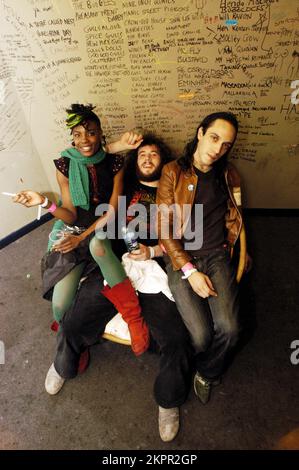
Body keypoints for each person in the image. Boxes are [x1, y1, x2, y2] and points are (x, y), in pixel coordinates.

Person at [43, 134, 192, 443]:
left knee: (177, 339)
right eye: (142, 155)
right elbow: (87, 159)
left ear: (162, 162)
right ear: (135, 162)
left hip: (153, 269)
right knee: (71, 324)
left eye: (154, 154)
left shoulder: (172, 194)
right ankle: (64, 365)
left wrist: (154, 252)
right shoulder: (121, 191)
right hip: (116, 264)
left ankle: (168, 400)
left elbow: (186, 239)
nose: (148, 158)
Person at [13, 104, 149, 357]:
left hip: (105, 226)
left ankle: (134, 316)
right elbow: (69, 214)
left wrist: (82, 238)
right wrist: (44, 202)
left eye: (91, 133)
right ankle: (76, 341)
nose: (84, 140)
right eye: (77, 134)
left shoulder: (114, 162)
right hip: (75, 227)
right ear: (72, 137)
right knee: (59, 306)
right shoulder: (65, 165)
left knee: (97, 245)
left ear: (100, 135)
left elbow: (111, 210)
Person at [157, 112, 250, 406]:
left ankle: (207, 373)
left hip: (216, 254)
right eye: (214, 137)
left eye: (226, 144)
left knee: (232, 329)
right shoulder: (173, 171)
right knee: (200, 336)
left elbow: (236, 217)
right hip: (181, 257)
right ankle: (194, 363)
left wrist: (243, 252)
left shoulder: (228, 174)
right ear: (200, 133)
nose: (218, 148)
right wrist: (188, 270)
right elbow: (163, 227)